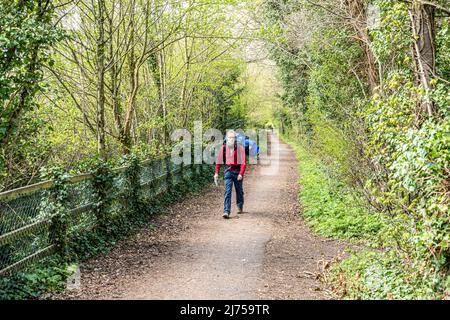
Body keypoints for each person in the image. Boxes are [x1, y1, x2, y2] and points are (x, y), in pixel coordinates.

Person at [214, 130, 246, 219]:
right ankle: (226, 211)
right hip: (228, 171)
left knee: (239, 190)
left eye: (233, 137)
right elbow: (218, 161)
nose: (231, 139)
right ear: (227, 138)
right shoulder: (223, 148)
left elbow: (243, 162)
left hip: (237, 171)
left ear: (235, 139)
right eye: (229, 137)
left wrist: (241, 173)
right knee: (227, 191)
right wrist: (216, 173)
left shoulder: (240, 148)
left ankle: (240, 205)